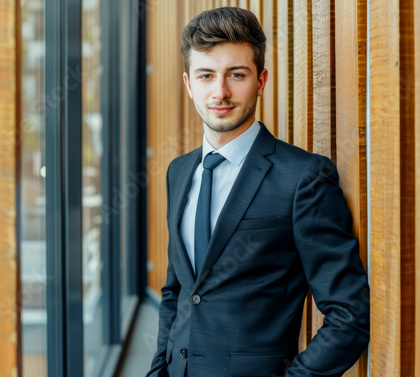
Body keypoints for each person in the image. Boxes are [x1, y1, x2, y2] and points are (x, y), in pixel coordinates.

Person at [146, 7, 370, 377]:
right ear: (189, 84)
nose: (220, 92)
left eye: (237, 74)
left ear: (261, 80)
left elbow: (350, 313)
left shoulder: (304, 178)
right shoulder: (179, 171)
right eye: (206, 75)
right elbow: (178, 291)